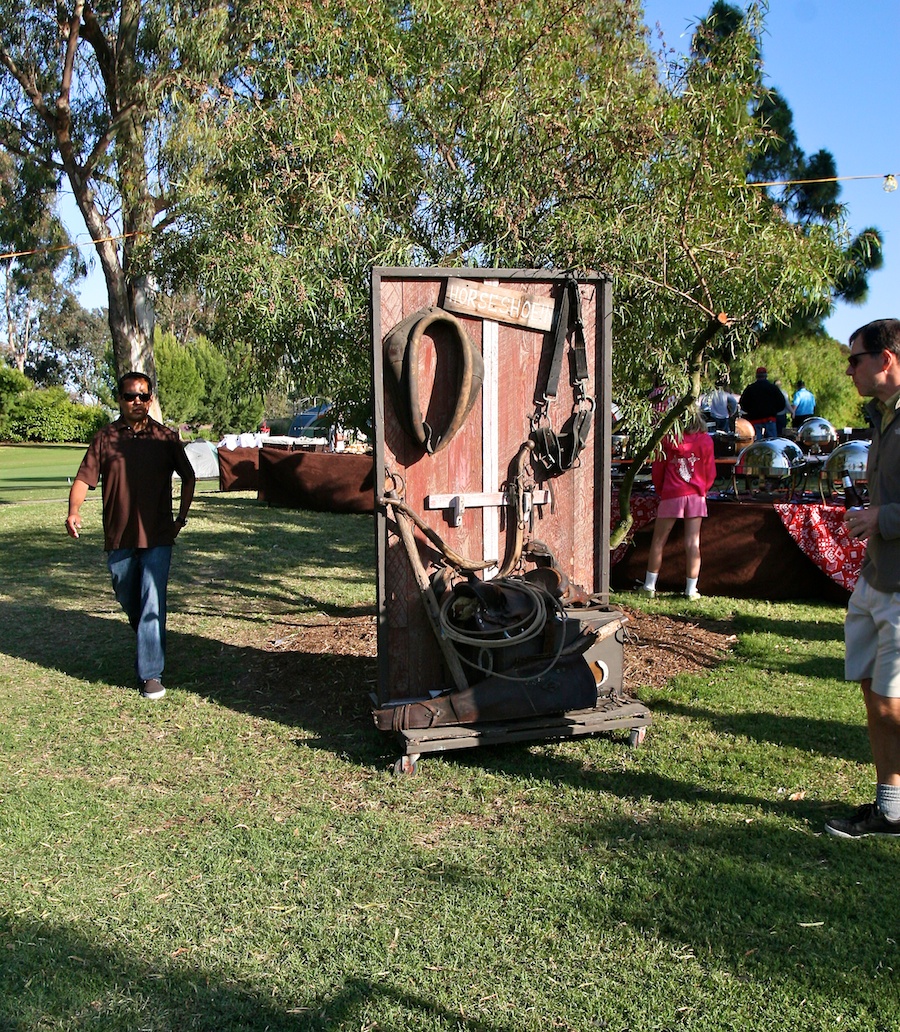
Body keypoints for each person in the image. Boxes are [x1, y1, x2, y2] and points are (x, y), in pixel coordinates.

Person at [64, 371, 196, 700]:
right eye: (128, 396)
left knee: (153, 599)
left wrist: (180, 517)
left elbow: (189, 477)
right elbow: (83, 479)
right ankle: (148, 636)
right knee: (128, 595)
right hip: (118, 536)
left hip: (157, 536)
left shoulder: (165, 438)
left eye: (142, 396)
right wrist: (73, 511)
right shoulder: (105, 438)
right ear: (119, 399)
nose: (136, 401)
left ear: (150, 399)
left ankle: (151, 674)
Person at [826, 319, 900, 838]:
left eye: (855, 359)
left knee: (894, 702)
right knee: (876, 693)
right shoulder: (882, 418)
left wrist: (885, 518)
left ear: (887, 359)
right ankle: (889, 806)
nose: (848, 368)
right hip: (877, 575)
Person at [639, 405, 716, 600]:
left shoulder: (668, 441)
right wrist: (703, 490)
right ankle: (691, 589)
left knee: (658, 541)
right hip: (697, 495)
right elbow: (711, 471)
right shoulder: (706, 440)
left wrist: (661, 490)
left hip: (672, 494)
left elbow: (658, 470)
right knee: (693, 543)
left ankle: (649, 586)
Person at [739, 366, 785, 439]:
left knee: (757, 442)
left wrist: (750, 411)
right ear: (766, 376)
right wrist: (774, 411)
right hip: (770, 418)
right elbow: (782, 403)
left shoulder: (750, 389)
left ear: (756, 376)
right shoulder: (773, 388)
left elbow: (743, 403)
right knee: (772, 441)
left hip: (755, 419)